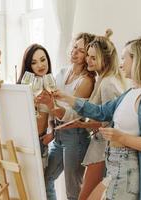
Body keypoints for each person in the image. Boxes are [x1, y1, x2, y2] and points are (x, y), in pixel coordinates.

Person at [54, 36, 141, 200]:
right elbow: (101, 111)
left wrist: (120, 136)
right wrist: (68, 99)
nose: (120, 63)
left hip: (127, 169)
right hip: (114, 164)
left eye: (125, 58)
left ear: (137, 60)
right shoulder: (129, 94)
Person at [39, 33, 96, 200]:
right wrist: (50, 128)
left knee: (73, 192)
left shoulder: (86, 81)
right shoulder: (62, 72)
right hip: (59, 135)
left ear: (88, 56)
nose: (74, 52)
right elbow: (53, 107)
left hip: (75, 137)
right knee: (46, 179)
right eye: (74, 47)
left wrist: (50, 105)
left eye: (81, 50)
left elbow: (72, 116)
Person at [77, 30, 128, 200]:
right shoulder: (105, 79)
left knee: (85, 197)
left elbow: (109, 122)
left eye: (93, 58)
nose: (88, 61)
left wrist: (83, 125)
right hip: (102, 146)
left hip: (103, 149)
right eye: (88, 56)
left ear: (104, 59)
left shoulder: (107, 83)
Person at [17, 43, 52, 169]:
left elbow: (56, 115)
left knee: (42, 185)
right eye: (34, 62)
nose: (40, 65)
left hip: (41, 140)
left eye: (43, 60)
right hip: (24, 141)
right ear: (28, 65)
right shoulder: (24, 86)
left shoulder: (51, 84)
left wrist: (52, 133)